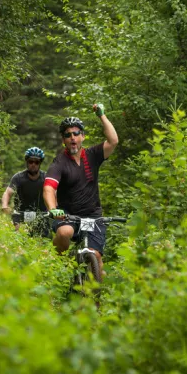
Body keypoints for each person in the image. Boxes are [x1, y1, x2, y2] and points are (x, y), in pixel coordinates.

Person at [43, 104, 118, 273]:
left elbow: (113, 141)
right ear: (63, 140)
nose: (72, 138)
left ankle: (96, 296)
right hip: (67, 215)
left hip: (92, 216)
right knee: (63, 233)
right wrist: (53, 209)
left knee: (96, 258)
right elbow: (49, 188)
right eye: (67, 135)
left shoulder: (93, 154)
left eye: (76, 133)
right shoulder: (59, 163)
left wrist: (102, 116)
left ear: (82, 136)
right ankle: (59, 265)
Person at [1, 147, 49, 237]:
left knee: (43, 241)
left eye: (36, 162)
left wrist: (57, 208)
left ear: (40, 163)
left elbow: (54, 193)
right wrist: (4, 205)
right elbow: (8, 193)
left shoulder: (46, 178)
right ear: (27, 162)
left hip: (41, 215)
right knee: (18, 237)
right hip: (20, 214)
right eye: (31, 161)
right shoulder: (18, 177)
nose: (33, 164)